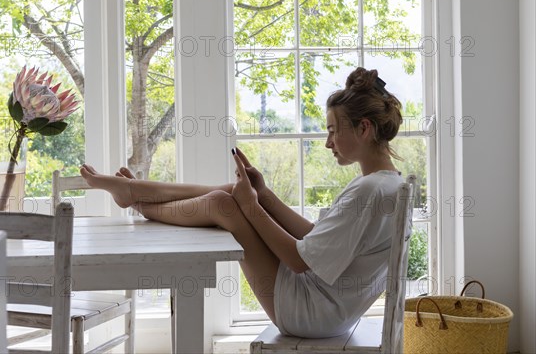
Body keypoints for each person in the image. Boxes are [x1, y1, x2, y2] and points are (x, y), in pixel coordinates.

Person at [79, 66, 404, 338]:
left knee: (225, 203)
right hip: (328, 309)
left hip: (310, 312)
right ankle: (134, 193)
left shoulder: (369, 191)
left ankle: (136, 198)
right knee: (232, 194)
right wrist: (263, 197)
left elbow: (299, 259)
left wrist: (250, 207)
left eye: (333, 131)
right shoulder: (386, 184)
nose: (327, 143)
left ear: (363, 128)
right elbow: (314, 238)